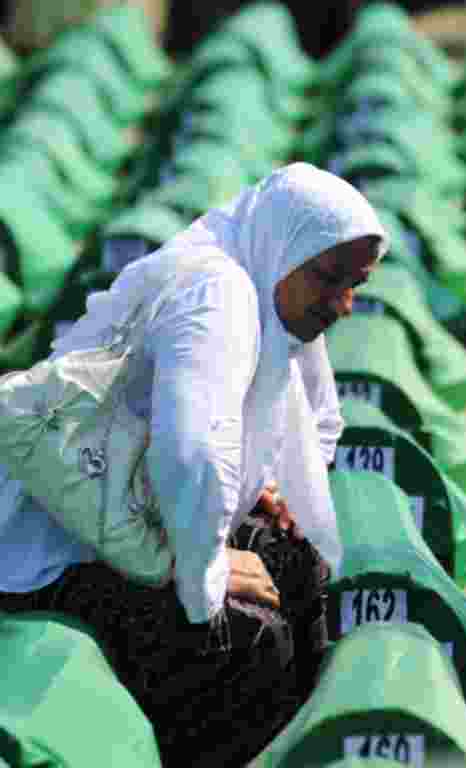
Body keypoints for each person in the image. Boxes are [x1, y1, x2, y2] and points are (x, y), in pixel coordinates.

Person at [0, 163, 390, 767]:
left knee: (294, 560)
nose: (343, 304)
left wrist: (260, 485)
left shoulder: (262, 281)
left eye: (356, 283)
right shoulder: (217, 294)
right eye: (328, 278)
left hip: (123, 508)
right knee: (248, 639)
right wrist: (207, 571)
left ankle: (305, 746)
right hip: (54, 551)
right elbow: (195, 449)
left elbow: (300, 413)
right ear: (286, 248)